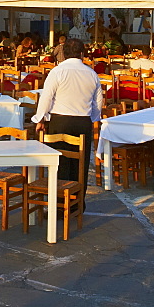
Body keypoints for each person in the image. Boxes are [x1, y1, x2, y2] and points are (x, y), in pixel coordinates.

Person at [32, 38, 103, 199]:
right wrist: (89, 119)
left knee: (61, 162)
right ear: (82, 54)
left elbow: (46, 98)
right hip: (82, 122)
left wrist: (40, 119)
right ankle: (77, 204)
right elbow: (98, 103)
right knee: (80, 165)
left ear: (63, 54)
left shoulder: (57, 71)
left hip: (60, 122)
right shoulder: (92, 74)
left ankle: (59, 203)